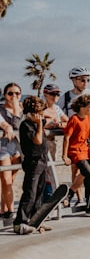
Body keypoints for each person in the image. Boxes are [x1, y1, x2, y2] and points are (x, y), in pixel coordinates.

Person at [62, 94, 90, 215]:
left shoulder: (88, 118)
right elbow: (66, 138)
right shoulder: (74, 119)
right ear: (82, 106)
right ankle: (89, 207)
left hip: (86, 150)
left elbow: (89, 134)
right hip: (75, 152)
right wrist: (64, 156)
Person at [12, 96, 49, 234]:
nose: (42, 116)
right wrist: (39, 124)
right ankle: (20, 222)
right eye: (39, 113)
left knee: (39, 193)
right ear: (32, 113)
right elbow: (38, 141)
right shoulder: (26, 125)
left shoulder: (40, 123)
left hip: (42, 161)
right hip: (32, 162)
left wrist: (44, 123)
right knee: (30, 193)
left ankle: (35, 220)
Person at [1, 82, 24, 222]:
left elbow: (18, 125)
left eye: (17, 93)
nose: (14, 96)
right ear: (5, 95)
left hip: (17, 148)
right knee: (6, 179)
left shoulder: (23, 109)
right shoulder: (0, 109)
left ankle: (3, 208)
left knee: (9, 182)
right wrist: (6, 126)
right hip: (2, 147)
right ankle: (9, 211)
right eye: (10, 93)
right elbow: (10, 125)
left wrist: (16, 106)